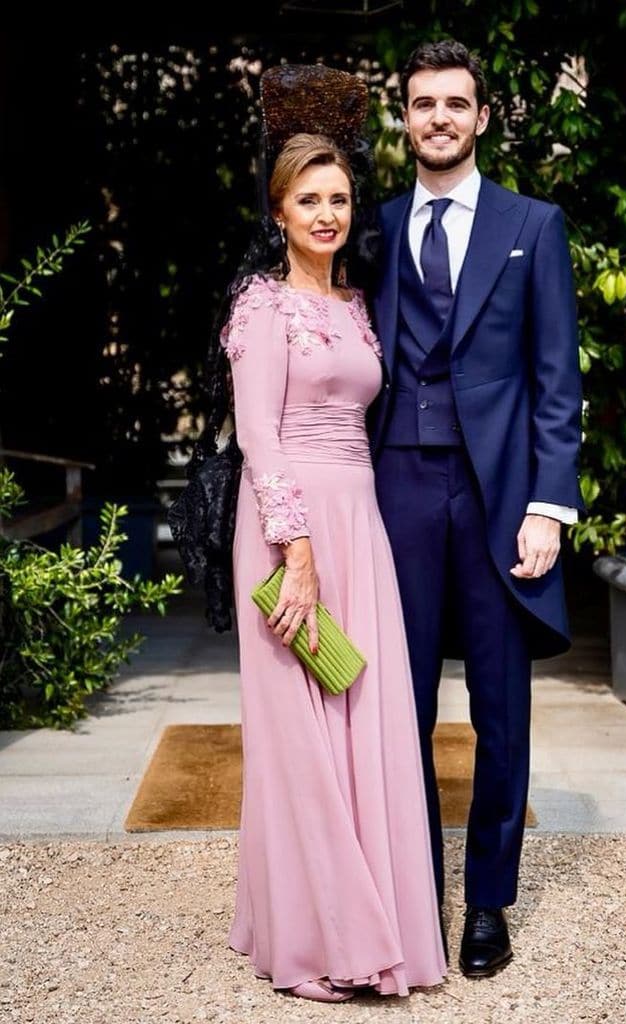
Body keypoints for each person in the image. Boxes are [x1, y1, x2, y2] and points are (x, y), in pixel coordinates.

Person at [220, 66, 446, 1003]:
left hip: (362, 522)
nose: (326, 214)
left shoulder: (356, 305)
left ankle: (376, 917)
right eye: (308, 200)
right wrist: (295, 549)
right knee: (301, 734)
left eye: (340, 198)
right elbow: (257, 435)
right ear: (278, 211)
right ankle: (318, 941)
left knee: (367, 713)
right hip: (290, 529)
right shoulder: (260, 307)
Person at [369, 40, 584, 978]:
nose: (440, 118)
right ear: (404, 118)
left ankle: (486, 903)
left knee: (499, 710)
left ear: (482, 117)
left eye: (456, 103)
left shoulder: (531, 226)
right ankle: (418, 890)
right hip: (396, 490)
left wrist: (548, 505)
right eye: (423, 104)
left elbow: (554, 380)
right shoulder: (371, 227)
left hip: (499, 494)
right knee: (398, 706)